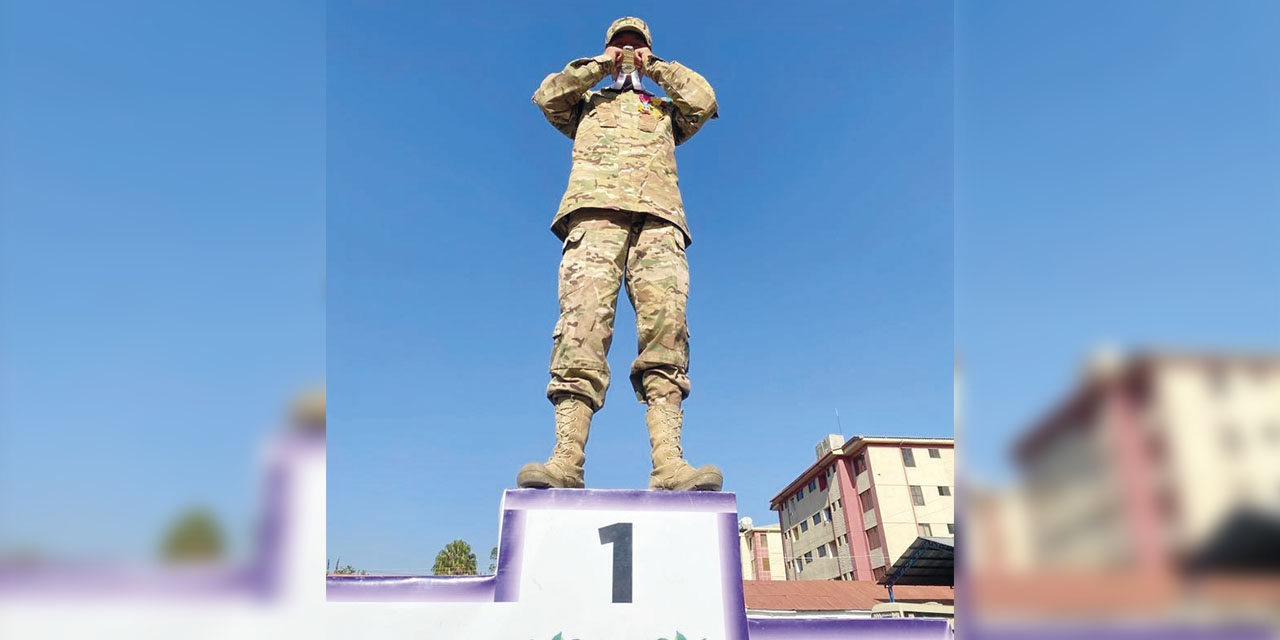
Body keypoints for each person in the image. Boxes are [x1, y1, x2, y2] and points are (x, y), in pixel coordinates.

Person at [517, 17, 722, 491]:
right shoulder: (588, 102)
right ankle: (566, 460)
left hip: (659, 221)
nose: (628, 52)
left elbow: (704, 100)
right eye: (620, 45)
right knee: (581, 327)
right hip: (593, 218)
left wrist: (658, 70)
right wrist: (597, 66)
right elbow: (549, 95)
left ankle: (669, 465)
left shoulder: (665, 108)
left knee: (667, 330)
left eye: (637, 46)